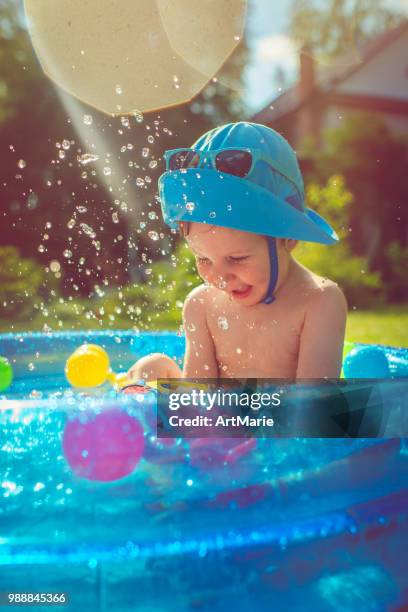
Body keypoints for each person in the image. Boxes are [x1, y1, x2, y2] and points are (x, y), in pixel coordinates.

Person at [128, 122, 347, 381]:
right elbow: (198, 403)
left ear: (287, 236)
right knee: (151, 368)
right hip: (218, 419)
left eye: (237, 258)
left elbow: (312, 410)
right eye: (203, 259)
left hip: (277, 421)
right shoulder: (201, 305)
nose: (220, 277)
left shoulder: (318, 302)